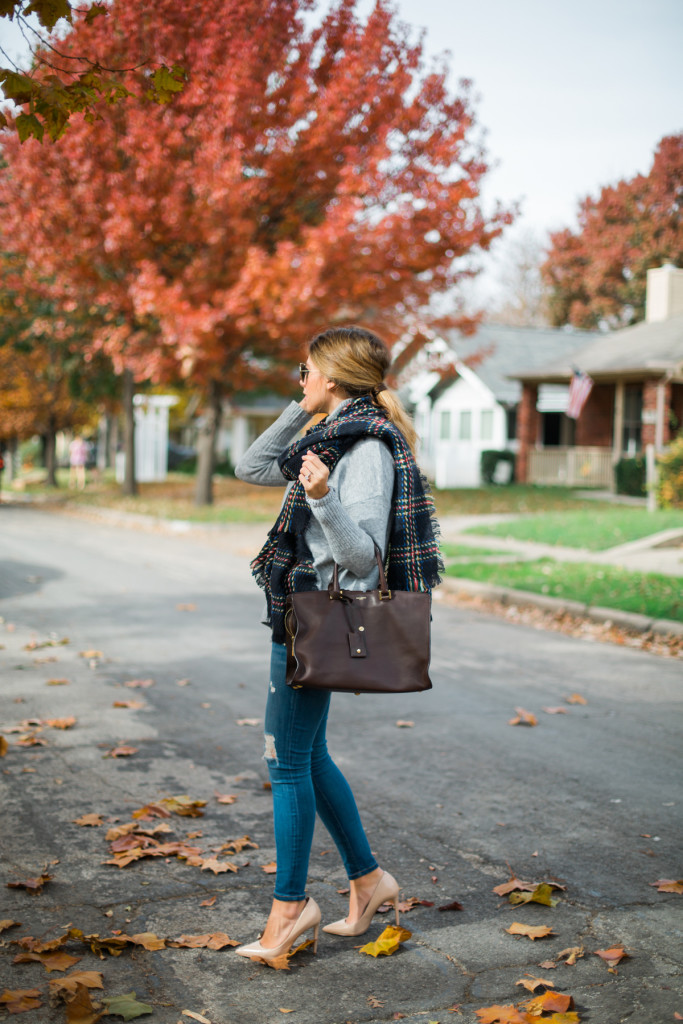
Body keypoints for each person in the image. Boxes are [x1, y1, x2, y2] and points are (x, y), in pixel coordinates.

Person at [233, 325, 442, 963]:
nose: (299, 377)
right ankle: (369, 881)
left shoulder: (367, 448)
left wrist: (322, 498)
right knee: (308, 754)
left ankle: (291, 909)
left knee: (287, 760)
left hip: (319, 616)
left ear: (332, 376)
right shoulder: (328, 433)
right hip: (299, 611)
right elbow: (250, 467)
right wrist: (302, 406)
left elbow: (362, 557)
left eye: (306, 371)